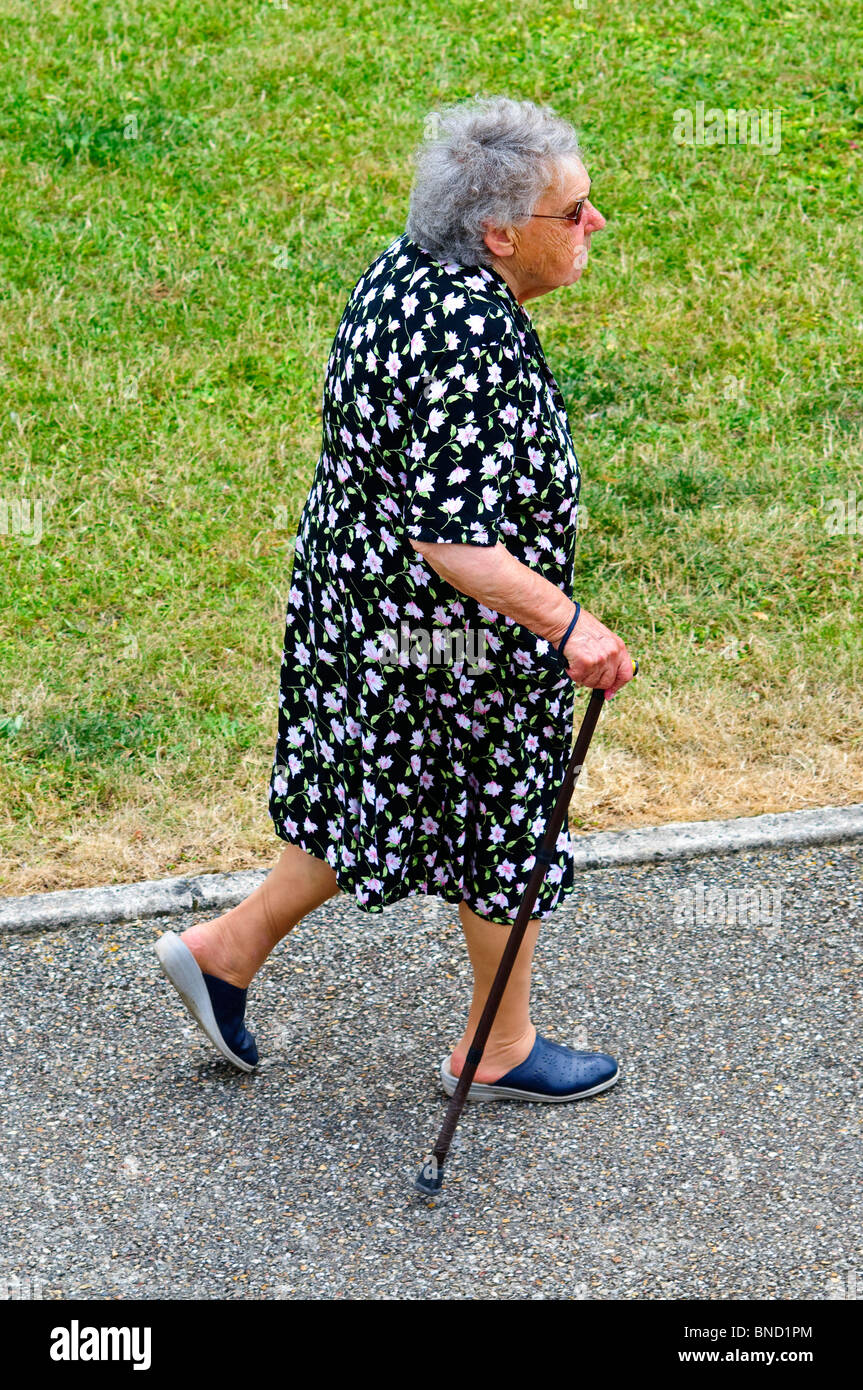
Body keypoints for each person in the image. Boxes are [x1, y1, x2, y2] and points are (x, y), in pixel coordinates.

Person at [156, 96, 635, 1104]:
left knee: (377, 790)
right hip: (448, 635)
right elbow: (453, 537)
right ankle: (498, 1048)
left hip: (362, 604)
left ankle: (222, 953)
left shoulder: (408, 270)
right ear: (497, 233)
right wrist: (569, 624)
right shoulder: (466, 339)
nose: (594, 225)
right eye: (573, 212)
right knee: (505, 815)